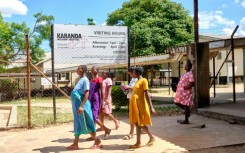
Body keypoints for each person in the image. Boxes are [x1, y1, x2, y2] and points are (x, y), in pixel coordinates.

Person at [66, 65, 102, 150]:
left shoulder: (85, 80)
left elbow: (86, 93)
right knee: (78, 123)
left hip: (82, 106)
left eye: (79, 68)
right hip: (77, 105)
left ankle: (97, 141)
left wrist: (82, 106)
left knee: (85, 123)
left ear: (83, 70)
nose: (77, 69)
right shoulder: (80, 80)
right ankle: (75, 144)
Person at [129, 67, 156, 149]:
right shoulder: (137, 81)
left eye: (133, 72)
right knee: (138, 123)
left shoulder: (144, 80)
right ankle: (142, 141)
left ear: (137, 73)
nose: (132, 74)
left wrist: (151, 107)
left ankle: (142, 141)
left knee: (139, 123)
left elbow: (147, 94)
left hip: (141, 105)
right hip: (136, 105)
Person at [87, 65, 111, 140]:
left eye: (93, 70)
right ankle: (93, 136)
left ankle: (106, 129)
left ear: (97, 70)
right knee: (91, 118)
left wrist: (102, 103)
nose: (92, 71)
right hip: (90, 100)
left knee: (94, 117)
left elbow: (101, 92)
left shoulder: (99, 79)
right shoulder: (91, 80)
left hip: (96, 100)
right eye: (91, 70)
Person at [174, 59, 195, 124]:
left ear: (189, 67)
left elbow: (192, 83)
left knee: (185, 104)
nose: (185, 67)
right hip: (181, 92)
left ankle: (186, 120)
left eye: (187, 66)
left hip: (186, 92)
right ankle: (187, 112)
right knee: (177, 102)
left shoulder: (190, 73)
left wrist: (186, 87)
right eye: (185, 65)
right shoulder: (185, 73)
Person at [121, 67, 138, 140]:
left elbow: (137, 88)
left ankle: (131, 133)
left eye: (130, 73)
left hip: (136, 100)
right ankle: (141, 129)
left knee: (133, 115)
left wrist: (128, 87)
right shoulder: (133, 79)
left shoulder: (139, 79)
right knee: (133, 115)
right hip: (131, 98)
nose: (130, 75)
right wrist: (125, 88)